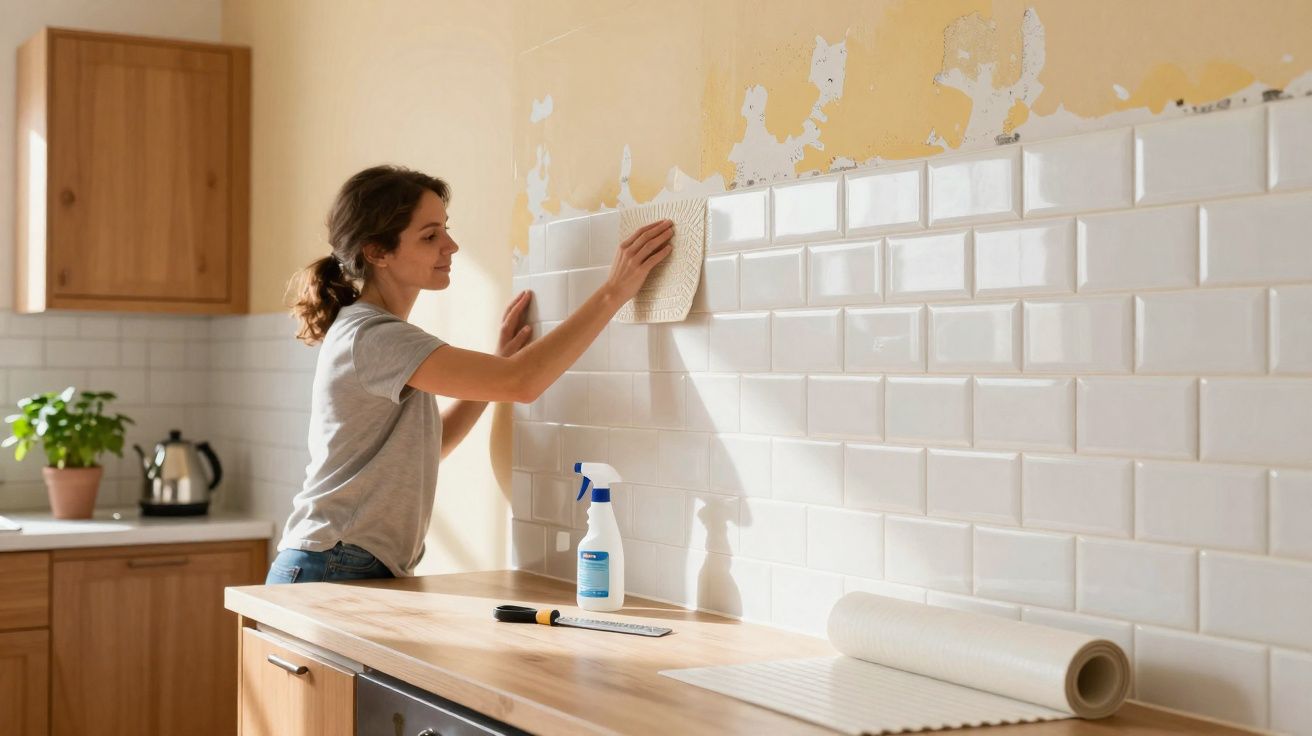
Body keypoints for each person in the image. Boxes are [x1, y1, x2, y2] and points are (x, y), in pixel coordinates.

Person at [264, 164, 673, 584]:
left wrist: (492, 374)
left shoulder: (371, 332)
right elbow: (523, 383)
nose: (452, 245)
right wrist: (614, 291)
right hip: (333, 560)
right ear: (377, 252)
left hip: (338, 559)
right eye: (430, 236)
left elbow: (429, 446)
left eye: (445, 229)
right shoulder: (373, 337)